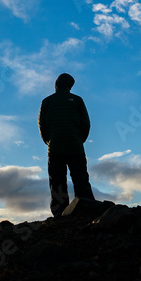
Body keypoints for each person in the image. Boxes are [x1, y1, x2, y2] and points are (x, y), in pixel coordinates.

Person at [38, 73, 95, 217]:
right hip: (75, 146)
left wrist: (48, 141)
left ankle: (60, 214)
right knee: (80, 178)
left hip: (55, 148)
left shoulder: (47, 101)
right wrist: (78, 139)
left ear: (56, 84)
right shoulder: (77, 100)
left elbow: (42, 125)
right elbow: (86, 124)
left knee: (57, 182)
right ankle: (86, 209)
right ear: (70, 86)